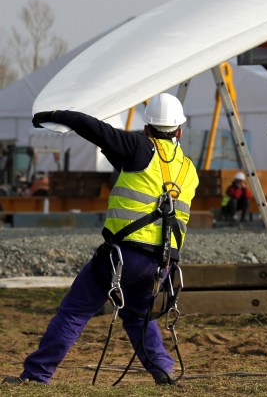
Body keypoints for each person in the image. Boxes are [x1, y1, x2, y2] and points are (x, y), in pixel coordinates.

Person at [3, 93, 198, 385]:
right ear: (179, 131)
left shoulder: (138, 148)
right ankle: (163, 369)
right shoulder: (188, 169)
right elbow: (131, 165)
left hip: (124, 257)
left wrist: (55, 114)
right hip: (161, 262)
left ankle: (36, 374)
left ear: (146, 128)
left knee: (75, 310)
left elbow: (95, 130)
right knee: (136, 315)